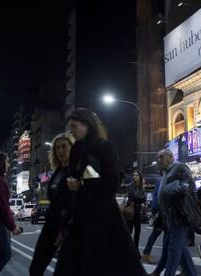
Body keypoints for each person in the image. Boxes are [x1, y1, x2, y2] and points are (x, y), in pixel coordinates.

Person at [54, 108, 146, 276]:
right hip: (80, 217)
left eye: (74, 126)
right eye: (70, 127)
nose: (71, 131)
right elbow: (73, 182)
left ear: (87, 125)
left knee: (102, 265)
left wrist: (81, 187)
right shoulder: (76, 150)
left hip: (102, 217)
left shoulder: (104, 147)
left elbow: (112, 183)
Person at [30, 132, 75, 276]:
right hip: (50, 225)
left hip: (68, 227)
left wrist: (65, 230)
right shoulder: (56, 172)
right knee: (35, 268)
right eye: (57, 148)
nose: (60, 150)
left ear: (72, 148)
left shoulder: (77, 171)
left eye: (64, 147)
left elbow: (78, 202)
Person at [150, 149, 197, 276]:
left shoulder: (179, 167)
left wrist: (173, 190)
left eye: (161, 157)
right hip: (169, 216)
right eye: (158, 157)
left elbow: (189, 186)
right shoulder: (165, 172)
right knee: (179, 247)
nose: (158, 160)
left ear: (170, 157)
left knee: (174, 248)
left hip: (179, 214)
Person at [142, 172, 163, 264]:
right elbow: (158, 196)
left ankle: (146, 253)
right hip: (161, 211)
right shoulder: (162, 180)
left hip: (160, 210)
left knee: (158, 233)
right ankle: (146, 253)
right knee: (157, 232)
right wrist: (157, 211)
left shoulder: (161, 179)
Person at [126, 169, 146, 257]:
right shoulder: (130, 186)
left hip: (137, 212)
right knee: (129, 232)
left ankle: (136, 250)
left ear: (140, 177)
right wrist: (140, 198)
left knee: (137, 233)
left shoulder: (141, 186)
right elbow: (136, 197)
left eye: (137, 175)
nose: (135, 176)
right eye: (134, 175)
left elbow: (143, 198)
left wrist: (140, 198)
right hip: (131, 212)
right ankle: (127, 250)